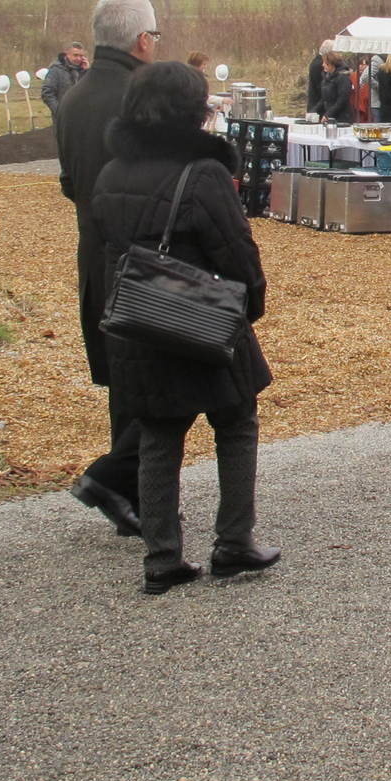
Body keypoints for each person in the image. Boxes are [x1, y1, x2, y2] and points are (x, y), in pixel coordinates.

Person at [91, 61, 279, 594]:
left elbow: (108, 250)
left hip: (140, 323)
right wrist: (250, 307)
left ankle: (162, 557)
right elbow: (238, 253)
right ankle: (233, 542)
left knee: (158, 439)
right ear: (193, 111)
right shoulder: (204, 174)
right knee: (236, 425)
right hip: (205, 319)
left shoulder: (110, 172)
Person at [56, 0, 160, 536]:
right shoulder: (141, 96)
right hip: (143, 257)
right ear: (143, 40)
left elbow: (70, 184)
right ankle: (120, 483)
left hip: (95, 256)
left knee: (127, 384)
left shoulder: (72, 99)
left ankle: (131, 499)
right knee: (162, 382)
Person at [41, 41, 88, 117]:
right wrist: (59, 112)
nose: (78, 59)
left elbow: (90, 92)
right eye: (75, 55)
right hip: (63, 119)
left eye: (81, 56)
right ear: (67, 55)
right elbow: (47, 93)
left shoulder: (84, 71)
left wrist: (86, 71)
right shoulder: (56, 70)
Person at [317, 53, 354, 123]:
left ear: (332, 64)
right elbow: (324, 99)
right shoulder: (326, 78)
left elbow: (342, 99)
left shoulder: (343, 77)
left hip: (342, 118)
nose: (323, 65)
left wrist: (328, 115)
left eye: (325, 63)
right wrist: (314, 112)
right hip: (330, 117)